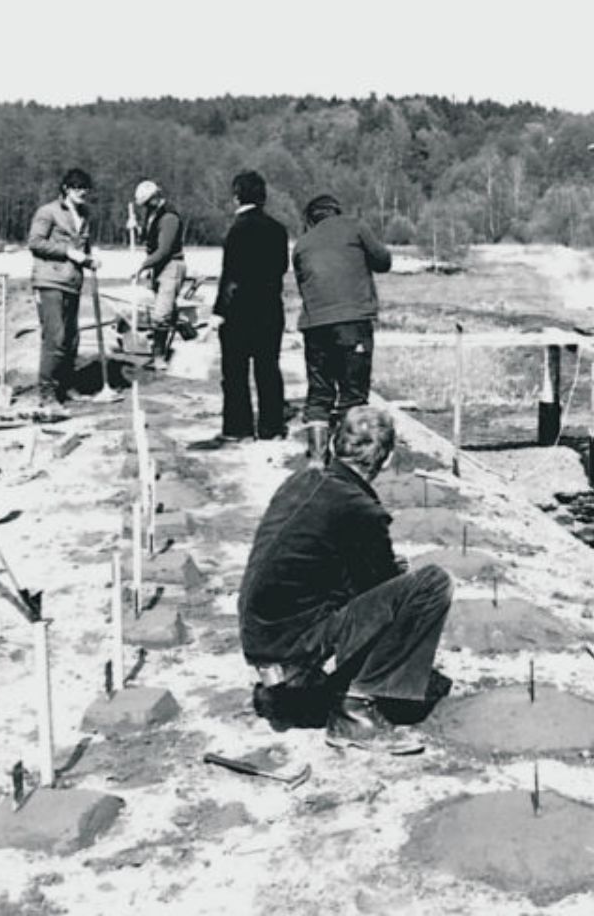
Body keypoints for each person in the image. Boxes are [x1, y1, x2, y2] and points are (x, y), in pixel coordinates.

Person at [237, 406, 453, 753]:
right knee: (430, 585)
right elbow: (380, 594)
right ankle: (356, 710)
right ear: (384, 457)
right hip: (289, 644)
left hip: (260, 633)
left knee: (383, 577)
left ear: (338, 443)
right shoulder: (359, 508)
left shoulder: (304, 479)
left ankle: (298, 689)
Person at [292, 194, 391, 464]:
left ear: (310, 219)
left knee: (319, 393)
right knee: (353, 394)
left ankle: (316, 459)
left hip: (315, 325)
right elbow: (383, 261)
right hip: (353, 322)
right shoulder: (355, 227)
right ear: (336, 211)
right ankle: (350, 458)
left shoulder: (301, 244)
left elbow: (304, 285)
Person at [213, 171, 289, 441]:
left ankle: (238, 428)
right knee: (268, 369)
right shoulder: (279, 230)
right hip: (270, 307)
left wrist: (218, 312)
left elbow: (230, 276)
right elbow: (282, 268)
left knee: (235, 372)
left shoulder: (236, 230)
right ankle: (272, 426)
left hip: (240, 312)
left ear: (236, 197)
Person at [27, 168, 97, 413]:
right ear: (66, 188)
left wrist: (89, 259)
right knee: (54, 338)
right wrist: (67, 252)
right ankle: (46, 393)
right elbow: (35, 242)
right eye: (78, 188)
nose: (82, 193)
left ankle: (66, 386)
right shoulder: (48, 212)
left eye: (85, 189)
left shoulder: (84, 214)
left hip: (72, 282)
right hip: (50, 281)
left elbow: (82, 247)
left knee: (71, 338)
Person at [131, 180, 186, 370]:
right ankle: (191, 337)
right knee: (168, 311)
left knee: (161, 314)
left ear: (155, 197)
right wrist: (136, 228)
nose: (145, 206)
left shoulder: (169, 217)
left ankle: (159, 357)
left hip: (171, 265)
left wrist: (142, 266)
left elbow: (164, 249)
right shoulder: (152, 214)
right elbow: (149, 239)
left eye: (147, 202)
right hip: (159, 267)